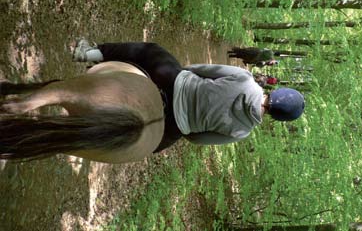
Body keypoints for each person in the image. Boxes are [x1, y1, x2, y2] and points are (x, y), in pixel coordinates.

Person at [73, 40, 305, 152]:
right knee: (144, 149)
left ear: (276, 92)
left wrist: (182, 73)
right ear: (276, 117)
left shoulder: (245, 79)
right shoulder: (242, 131)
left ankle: (88, 53)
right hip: (174, 126)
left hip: (174, 83)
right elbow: (197, 139)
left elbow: (200, 69)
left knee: (148, 51)